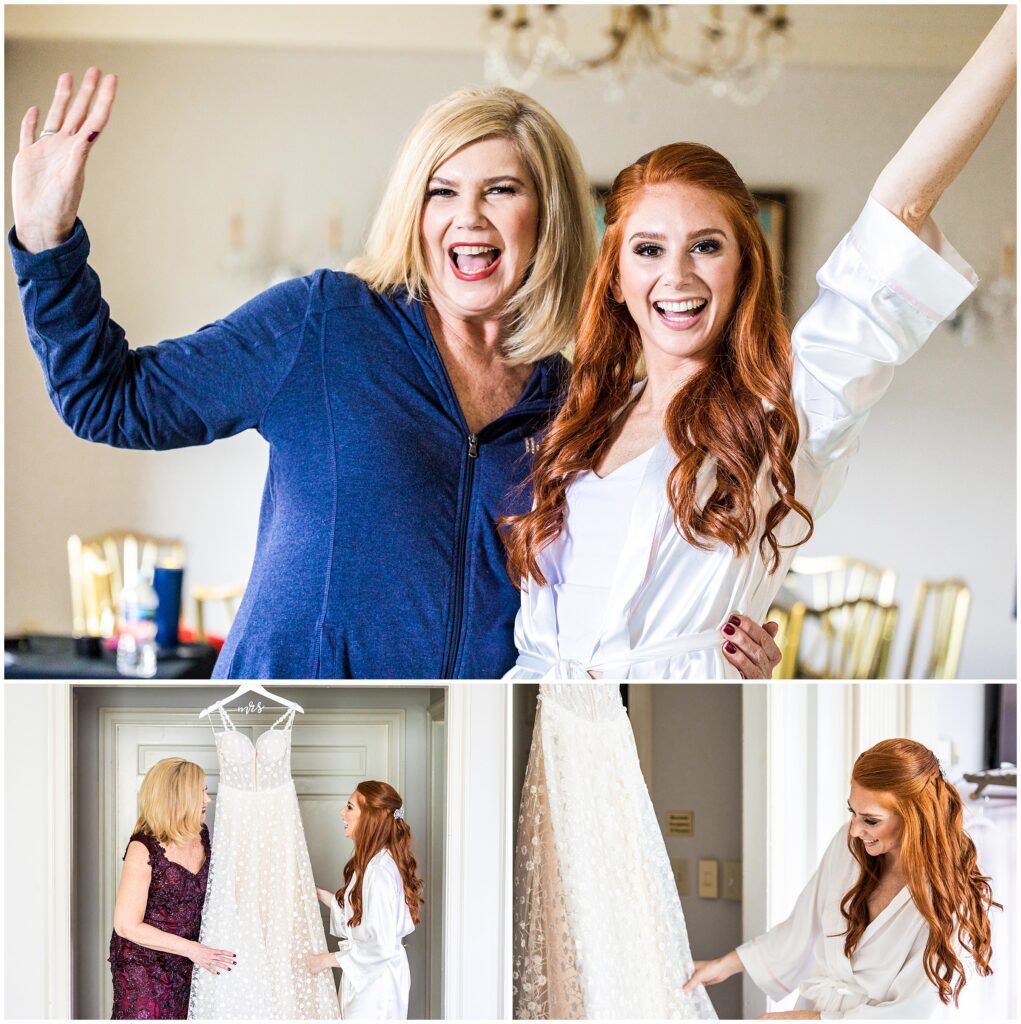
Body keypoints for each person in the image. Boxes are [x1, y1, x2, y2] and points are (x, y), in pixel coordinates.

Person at [10, 72, 780, 680]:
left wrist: (718, 643)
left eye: (500, 191)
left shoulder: (573, 404)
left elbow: (608, 588)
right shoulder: (326, 322)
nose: (467, 217)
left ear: (546, 217)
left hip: (465, 736)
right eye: (442, 191)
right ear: (414, 210)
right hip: (285, 721)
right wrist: (46, 244)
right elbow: (110, 402)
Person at [502, 7, 1016, 680]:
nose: (676, 275)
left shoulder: (785, 412)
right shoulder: (577, 423)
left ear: (743, 267)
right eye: (648, 249)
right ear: (618, 280)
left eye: (705, 247)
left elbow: (902, 210)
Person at [686, 739, 999, 1020]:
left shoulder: (948, 900)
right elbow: (801, 927)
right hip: (812, 1008)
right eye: (853, 812)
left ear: (914, 818)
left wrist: (809, 1020)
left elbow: (911, 1012)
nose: (854, 829)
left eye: (870, 820)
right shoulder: (851, 846)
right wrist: (724, 965)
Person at [109, 757, 235, 1020]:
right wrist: (192, 949)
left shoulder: (202, 835)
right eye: (201, 792)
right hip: (144, 965)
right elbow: (126, 925)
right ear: (177, 797)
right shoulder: (142, 848)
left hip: (191, 962)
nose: (207, 800)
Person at [307, 781, 423, 1020]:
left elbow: (379, 945)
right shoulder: (372, 864)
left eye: (349, 807)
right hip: (368, 980)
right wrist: (316, 893)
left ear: (370, 818)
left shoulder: (379, 871)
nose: (342, 812)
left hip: (377, 987)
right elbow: (359, 918)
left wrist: (325, 960)